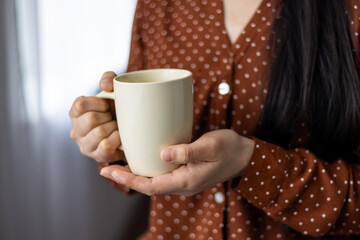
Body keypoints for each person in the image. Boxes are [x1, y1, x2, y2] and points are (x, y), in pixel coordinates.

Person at [69, 0, 360, 239]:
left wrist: (250, 163)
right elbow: (130, 124)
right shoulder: (156, 6)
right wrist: (108, 136)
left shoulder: (350, 11)